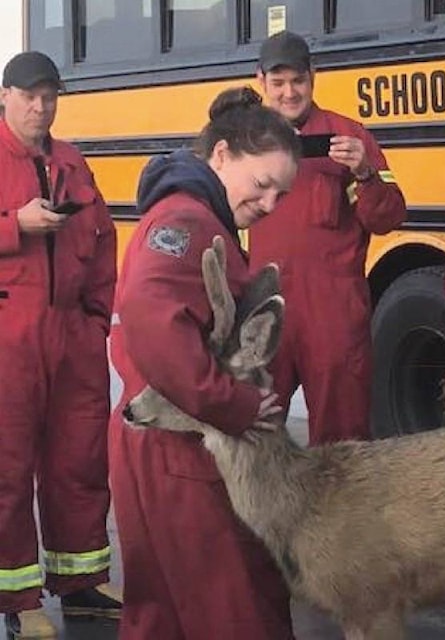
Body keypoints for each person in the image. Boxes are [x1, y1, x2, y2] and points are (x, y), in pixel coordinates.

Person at [108, 87, 299, 639]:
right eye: (262, 185)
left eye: (280, 196)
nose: (268, 204)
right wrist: (232, 403)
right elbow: (149, 312)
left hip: (157, 441)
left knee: (161, 612)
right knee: (236, 606)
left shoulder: (193, 216)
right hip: (178, 448)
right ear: (220, 155)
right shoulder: (189, 223)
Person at [0, 51, 119, 638]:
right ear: (5, 97)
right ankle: (18, 600)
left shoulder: (73, 161)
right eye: (29, 96)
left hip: (73, 335)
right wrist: (12, 224)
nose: (40, 107)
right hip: (8, 337)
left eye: (49, 97)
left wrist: (97, 319)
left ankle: (83, 582)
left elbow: (103, 243)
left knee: (80, 459)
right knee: (8, 468)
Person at [250, 31, 407, 446]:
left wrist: (364, 173)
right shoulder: (243, 142)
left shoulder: (348, 136)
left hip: (333, 320)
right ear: (260, 81)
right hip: (264, 315)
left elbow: (389, 216)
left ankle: (343, 514)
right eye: (278, 83)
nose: (289, 93)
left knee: (342, 447)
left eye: (298, 81)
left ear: (314, 77)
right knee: (252, 438)